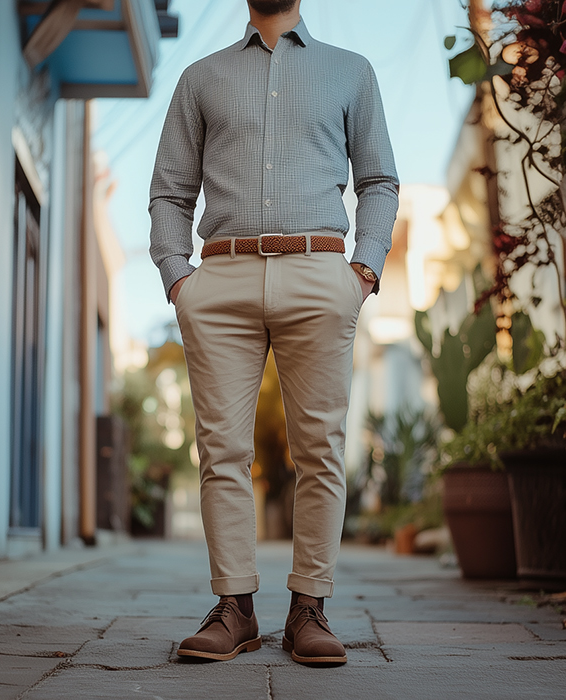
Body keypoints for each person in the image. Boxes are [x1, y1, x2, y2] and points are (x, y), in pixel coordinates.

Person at [149, 0, 398, 666]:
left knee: (320, 448)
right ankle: (236, 609)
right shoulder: (201, 77)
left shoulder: (351, 72)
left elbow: (379, 180)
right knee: (220, 449)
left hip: (320, 271)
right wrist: (179, 277)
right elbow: (170, 190)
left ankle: (308, 610)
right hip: (221, 278)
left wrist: (363, 270)